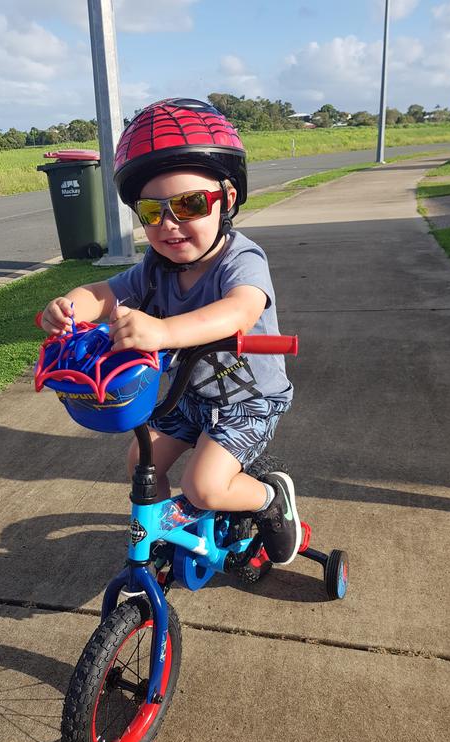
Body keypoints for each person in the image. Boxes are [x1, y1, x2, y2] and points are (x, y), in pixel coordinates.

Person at [40, 98, 301, 565]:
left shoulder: (241, 259)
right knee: (139, 463)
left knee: (202, 486)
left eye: (189, 204)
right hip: (189, 397)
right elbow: (104, 293)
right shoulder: (154, 268)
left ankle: (268, 498)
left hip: (249, 402)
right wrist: (67, 308)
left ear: (229, 200)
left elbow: (240, 310)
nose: (170, 223)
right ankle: (162, 536)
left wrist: (162, 330)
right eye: (152, 211)